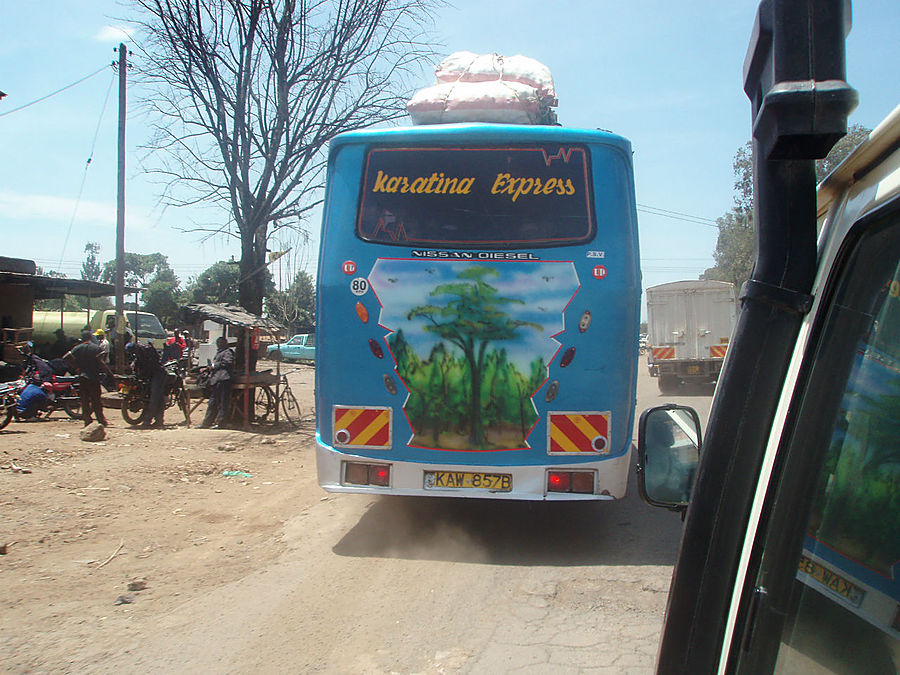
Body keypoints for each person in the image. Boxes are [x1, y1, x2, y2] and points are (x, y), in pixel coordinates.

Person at [63, 329, 114, 427]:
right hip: (93, 377)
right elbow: (101, 362)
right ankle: (101, 420)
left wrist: (76, 367)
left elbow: (66, 357)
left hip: (82, 377)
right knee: (96, 400)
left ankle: (87, 419)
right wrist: (110, 374)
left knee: (84, 400)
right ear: (91, 337)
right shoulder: (96, 348)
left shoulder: (77, 348)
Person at [200, 336, 234, 429]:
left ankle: (221, 423)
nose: (219, 345)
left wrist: (214, 366)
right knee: (213, 402)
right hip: (217, 380)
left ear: (225, 343)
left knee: (223, 403)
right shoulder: (220, 352)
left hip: (224, 379)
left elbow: (228, 362)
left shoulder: (228, 352)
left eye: (221, 343)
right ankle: (207, 423)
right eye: (218, 343)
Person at [132, 340, 167, 428]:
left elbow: (152, 365)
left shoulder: (147, 351)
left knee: (155, 397)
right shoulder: (139, 354)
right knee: (158, 399)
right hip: (151, 374)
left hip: (158, 374)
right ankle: (159, 420)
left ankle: (148, 420)